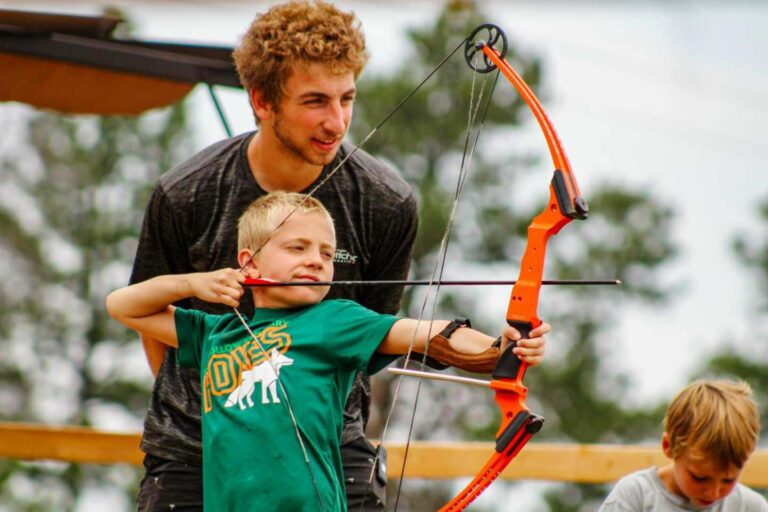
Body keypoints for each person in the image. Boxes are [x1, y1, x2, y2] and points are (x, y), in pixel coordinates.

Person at [128, 2, 414, 509]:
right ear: (262, 101)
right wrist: (235, 422)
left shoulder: (386, 202)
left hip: (327, 442)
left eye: (346, 98)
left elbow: (376, 339)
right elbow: (154, 326)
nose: (337, 121)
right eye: (314, 101)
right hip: (193, 444)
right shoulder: (185, 193)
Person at [110, 192, 549, 511]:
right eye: (297, 248)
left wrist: (500, 350)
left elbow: (424, 333)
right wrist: (190, 284)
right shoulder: (216, 332)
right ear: (249, 263)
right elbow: (122, 305)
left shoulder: (334, 319)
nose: (316, 261)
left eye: (326, 253)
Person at [599, 379, 768, 511]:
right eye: (699, 478)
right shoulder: (636, 496)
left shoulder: (751, 507)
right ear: (668, 446)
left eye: (728, 480)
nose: (714, 492)